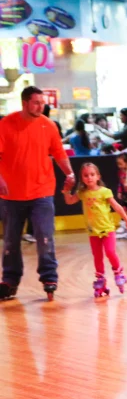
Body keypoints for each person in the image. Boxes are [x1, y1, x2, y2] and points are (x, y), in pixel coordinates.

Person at [0, 86, 75, 301]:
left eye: (42, 103)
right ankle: (9, 281)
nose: (41, 106)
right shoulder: (6, 125)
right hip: (11, 196)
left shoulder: (48, 125)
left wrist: (69, 173)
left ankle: (49, 277)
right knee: (11, 241)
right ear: (24, 103)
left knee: (44, 237)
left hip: (41, 192)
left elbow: (59, 153)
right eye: (36, 102)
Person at [61, 162, 127, 297]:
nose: (89, 178)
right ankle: (100, 279)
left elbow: (116, 206)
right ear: (82, 178)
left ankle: (118, 272)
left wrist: (126, 219)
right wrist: (66, 191)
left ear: (98, 176)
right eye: (86, 175)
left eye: (92, 175)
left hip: (107, 229)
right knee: (97, 257)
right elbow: (69, 201)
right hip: (93, 232)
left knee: (110, 252)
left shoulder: (104, 192)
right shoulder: (82, 193)